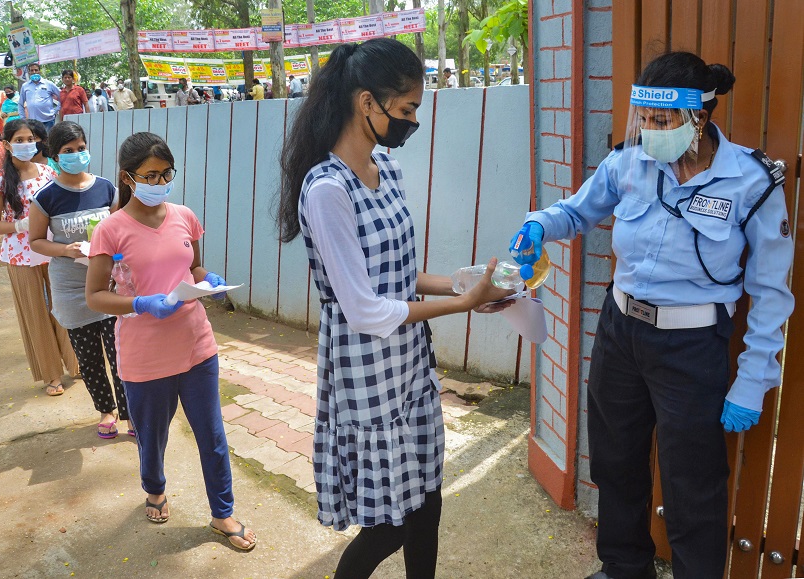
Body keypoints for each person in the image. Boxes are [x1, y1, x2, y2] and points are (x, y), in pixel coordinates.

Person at [508, 52, 795, 579]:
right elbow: (578, 210)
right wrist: (538, 225)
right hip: (621, 333)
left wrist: (753, 380)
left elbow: (772, 292)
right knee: (616, 464)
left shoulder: (750, 183)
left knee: (693, 485)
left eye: (661, 121)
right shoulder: (630, 161)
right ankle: (623, 568)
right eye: (642, 117)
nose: (647, 129)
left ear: (699, 118)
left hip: (692, 346)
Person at [277, 38, 512, 579]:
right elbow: (362, 308)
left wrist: (470, 285)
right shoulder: (327, 189)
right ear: (367, 103)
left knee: (427, 498)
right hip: (366, 367)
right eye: (405, 110)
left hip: (409, 359)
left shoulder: (385, 167)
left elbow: (400, 278)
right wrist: (460, 305)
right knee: (390, 521)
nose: (411, 121)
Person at [86, 132, 258, 549]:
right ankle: (155, 488)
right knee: (152, 435)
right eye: (151, 175)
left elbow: (194, 269)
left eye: (166, 174)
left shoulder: (184, 215)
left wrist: (208, 281)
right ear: (128, 178)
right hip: (145, 355)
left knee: (212, 436)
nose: (160, 182)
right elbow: (95, 297)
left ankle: (223, 513)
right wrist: (141, 303)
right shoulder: (111, 230)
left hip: (196, 344)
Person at [28, 121, 128, 438]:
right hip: (71, 289)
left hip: (109, 286)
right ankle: (106, 411)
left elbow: (121, 229)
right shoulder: (46, 197)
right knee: (89, 359)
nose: (76, 155)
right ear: (55, 157)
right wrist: (66, 250)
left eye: (81, 148)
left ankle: (131, 415)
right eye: (68, 151)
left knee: (121, 355)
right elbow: (35, 242)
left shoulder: (106, 188)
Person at [0, 119, 79, 395]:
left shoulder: (47, 171)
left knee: (63, 307)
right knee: (36, 314)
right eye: (20, 140)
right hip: (20, 257)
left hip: (52, 251)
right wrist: (21, 225)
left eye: (30, 139)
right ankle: (51, 375)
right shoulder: (0, 181)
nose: (27, 145)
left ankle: (75, 364)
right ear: (7, 144)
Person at [20, 63, 60, 129]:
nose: (34, 72)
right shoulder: (25, 86)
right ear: (29, 72)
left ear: (39, 71)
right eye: (32, 70)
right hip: (33, 121)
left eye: (36, 70)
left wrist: (56, 110)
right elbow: (20, 103)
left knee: (48, 139)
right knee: (36, 139)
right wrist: (23, 118)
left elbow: (62, 96)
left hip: (48, 120)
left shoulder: (48, 84)